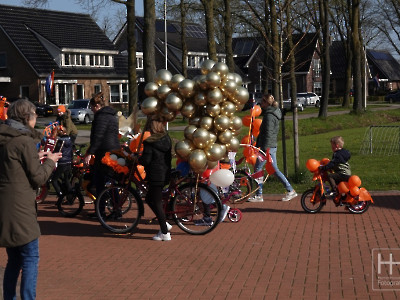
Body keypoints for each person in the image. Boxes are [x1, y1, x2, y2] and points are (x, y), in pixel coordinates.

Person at [0, 99, 62, 300]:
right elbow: (38, 177)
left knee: (14, 260)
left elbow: (13, 163)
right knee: (30, 258)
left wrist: (36, 156)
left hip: (5, 206)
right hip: (21, 208)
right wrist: (50, 162)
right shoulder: (24, 141)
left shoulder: (6, 138)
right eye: (34, 116)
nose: (36, 120)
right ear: (27, 118)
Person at [249, 93, 297, 202]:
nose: (261, 103)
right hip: (269, 146)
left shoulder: (269, 116)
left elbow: (268, 133)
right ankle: (289, 190)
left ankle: (259, 195)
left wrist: (264, 148)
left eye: (262, 101)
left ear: (266, 103)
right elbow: (265, 132)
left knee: (259, 168)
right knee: (273, 169)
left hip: (267, 147)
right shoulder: (272, 113)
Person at [83, 92, 119, 217]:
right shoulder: (112, 116)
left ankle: (101, 211)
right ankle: (116, 209)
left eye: (92, 107)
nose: (91, 110)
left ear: (97, 105)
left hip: (103, 153)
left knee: (99, 183)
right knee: (111, 182)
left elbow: (98, 137)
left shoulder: (100, 117)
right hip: (114, 151)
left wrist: (89, 153)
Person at [138, 117, 172, 241]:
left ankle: (164, 232)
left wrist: (137, 158)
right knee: (150, 198)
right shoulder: (166, 139)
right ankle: (165, 223)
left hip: (155, 174)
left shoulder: (150, 142)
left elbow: (146, 160)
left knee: (156, 202)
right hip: (165, 173)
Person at [51, 126, 73, 200]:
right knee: (66, 180)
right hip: (69, 162)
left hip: (62, 162)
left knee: (54, 180)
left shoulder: (60, 141)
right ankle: (70, 197)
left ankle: (60, 195)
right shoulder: (70, 139)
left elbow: (56, 151)